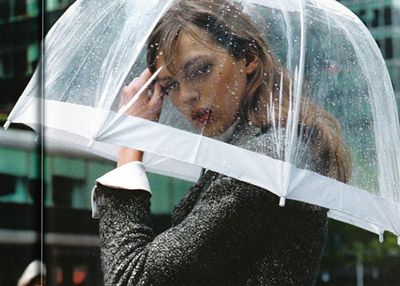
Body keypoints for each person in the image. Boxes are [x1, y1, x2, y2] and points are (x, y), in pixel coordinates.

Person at [92, 0, 351, 285]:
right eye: (171, 85)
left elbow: (130, 278)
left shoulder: (263, 160)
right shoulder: (246, 151)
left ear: (248, 58)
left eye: (200, 70)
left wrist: (131, 142)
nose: (187, 95)